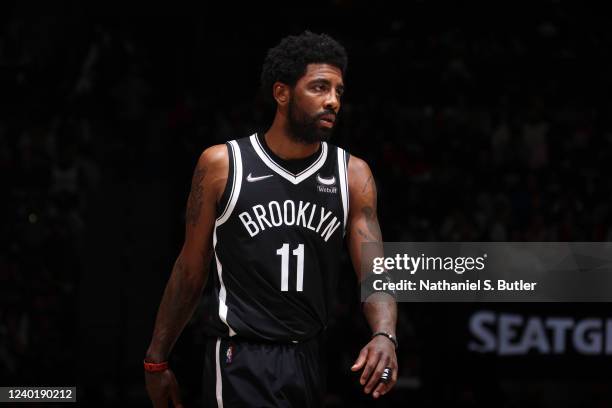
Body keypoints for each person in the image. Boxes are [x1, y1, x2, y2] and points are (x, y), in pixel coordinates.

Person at [144, 30, 398, 407]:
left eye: (339, 91)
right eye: (319, 88)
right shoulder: (222, 165)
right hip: (240, 357)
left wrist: (385, 334)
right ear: (282, 93)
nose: (332, 101)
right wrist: (156, 359)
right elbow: (190, 269)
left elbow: (374, 272)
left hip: (309, 357)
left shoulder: (353, 174)